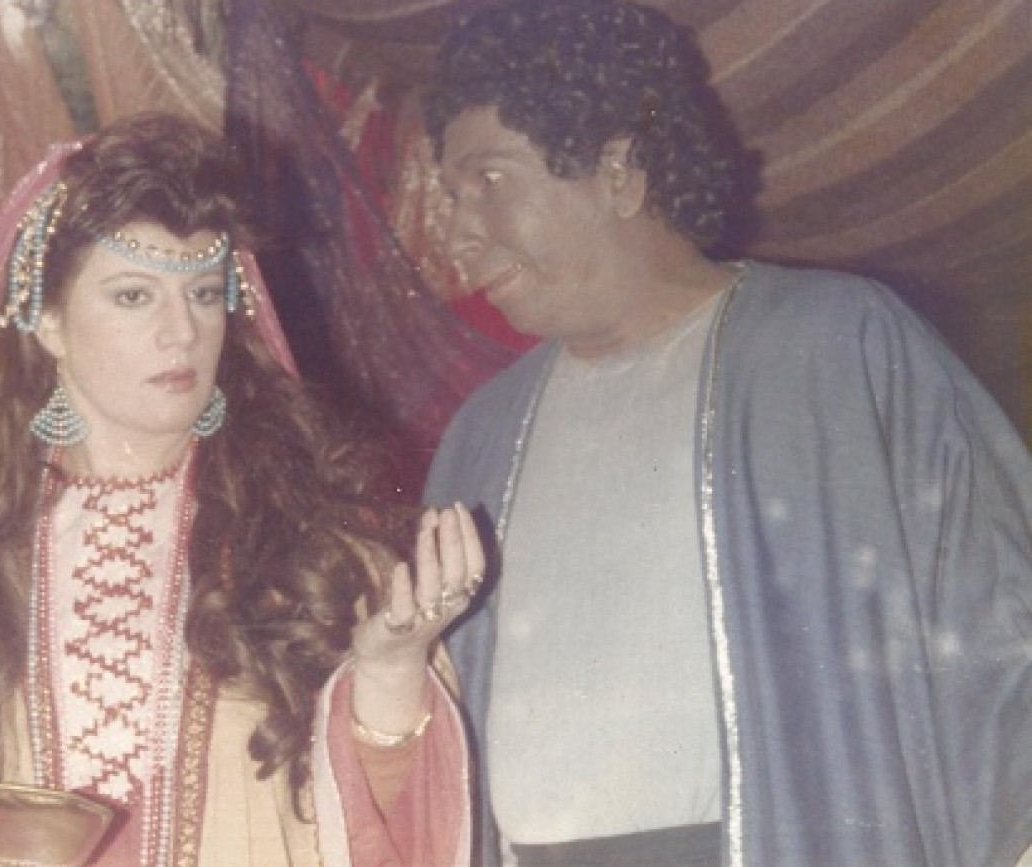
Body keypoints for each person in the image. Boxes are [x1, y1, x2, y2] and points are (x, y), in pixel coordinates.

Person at [419, 2, 1032, 866]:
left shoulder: (832, 345)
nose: (456, 231)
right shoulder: (479, 437)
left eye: (488, 179)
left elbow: (1004, 639)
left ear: (618, 172)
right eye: (451, 196)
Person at [0, 111, 486, 867]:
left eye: (201, 294)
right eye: (134, 296)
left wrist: (391, 672)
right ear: (49, 322)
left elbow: (394, 830)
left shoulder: (319, 555)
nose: (182, 333)